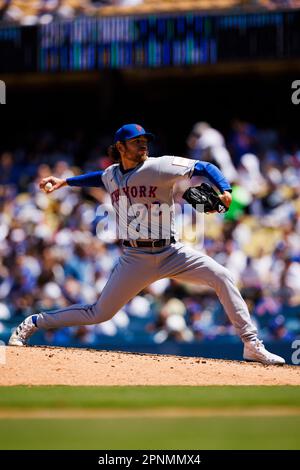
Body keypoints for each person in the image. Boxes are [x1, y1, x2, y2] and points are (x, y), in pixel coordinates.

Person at [8, 123, 285, 365]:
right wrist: (66, 181)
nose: (143, 145)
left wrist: (225, 190)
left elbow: (204, 166)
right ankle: (34, 322)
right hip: (135, 258)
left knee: (222, 276)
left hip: (172, 251)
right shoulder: (112, 175)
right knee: (99, 313)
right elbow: (98, 177)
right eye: (136, 142)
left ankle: (252, 344)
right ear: (120, 147)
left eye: (145, 141)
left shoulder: (159, 165)